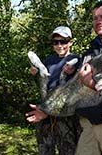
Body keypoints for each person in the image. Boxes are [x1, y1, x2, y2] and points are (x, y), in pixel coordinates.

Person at [26, 1, 102, 155]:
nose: (98, 21)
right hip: (89, 125)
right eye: (94, 18)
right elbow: (74, 90)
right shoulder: (91, 50)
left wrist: (92, 83)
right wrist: (48, 110)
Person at [29, 26, 82, 155]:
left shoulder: (77, 60)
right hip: (46, 108)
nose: (59, 45)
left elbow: (80, 86)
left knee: (68, 148)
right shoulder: (49, 61)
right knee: (45, 148)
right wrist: (36, 75)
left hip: (65, 112)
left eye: (63, 41)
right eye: (55, 42)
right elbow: (44, 84)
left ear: (70, 42)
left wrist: (73, 71)